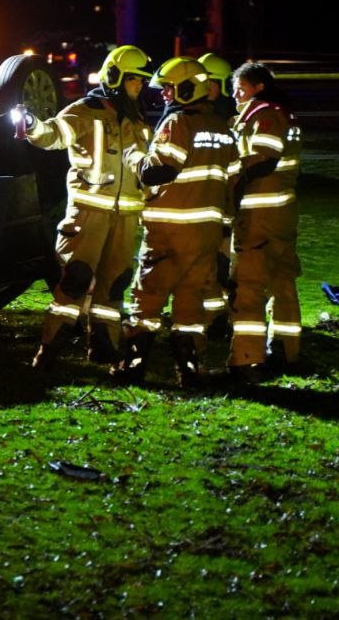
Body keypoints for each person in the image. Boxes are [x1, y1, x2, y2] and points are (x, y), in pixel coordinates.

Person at [20, 44, 153, 370]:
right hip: (88, 216)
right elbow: (53, 134)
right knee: (75, 281)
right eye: (134, 79)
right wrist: (32, 124)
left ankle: (104, 347)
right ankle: (50, 350)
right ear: (115, 77)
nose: (139, 86)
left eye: (142, 80)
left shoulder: (138, 121)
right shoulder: (84, 110)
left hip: (126, 218)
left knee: (115, 284)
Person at [117, 57, 237, 386]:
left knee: (147, 301)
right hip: (205, 233)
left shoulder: (178, 122)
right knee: (190, 305)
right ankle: (190, 370)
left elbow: (159, 171)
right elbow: (233, 181)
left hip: (168, 231)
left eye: (169, 88)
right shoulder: (222, 128)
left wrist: (133, 156)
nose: (164, 95)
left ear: (187, 88)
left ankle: (132, 367)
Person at [227, 61, 303, 381]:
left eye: (240, 89)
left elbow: (263, 158)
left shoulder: (264, 114)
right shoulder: (285, 114)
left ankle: (247, 358)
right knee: (282, 281)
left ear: (259, 88)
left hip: (258, 215)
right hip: (282, 213)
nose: (235, 95)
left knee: (249, 285)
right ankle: (287, 350)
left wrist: (228, 174)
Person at [197, 51, 237, 338]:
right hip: (205, 204)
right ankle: (214, 318)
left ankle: (224, 317)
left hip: (227, 207)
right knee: (208, 265)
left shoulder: (230, 120)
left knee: (225, 267)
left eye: (208, 82)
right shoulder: (197, 116)